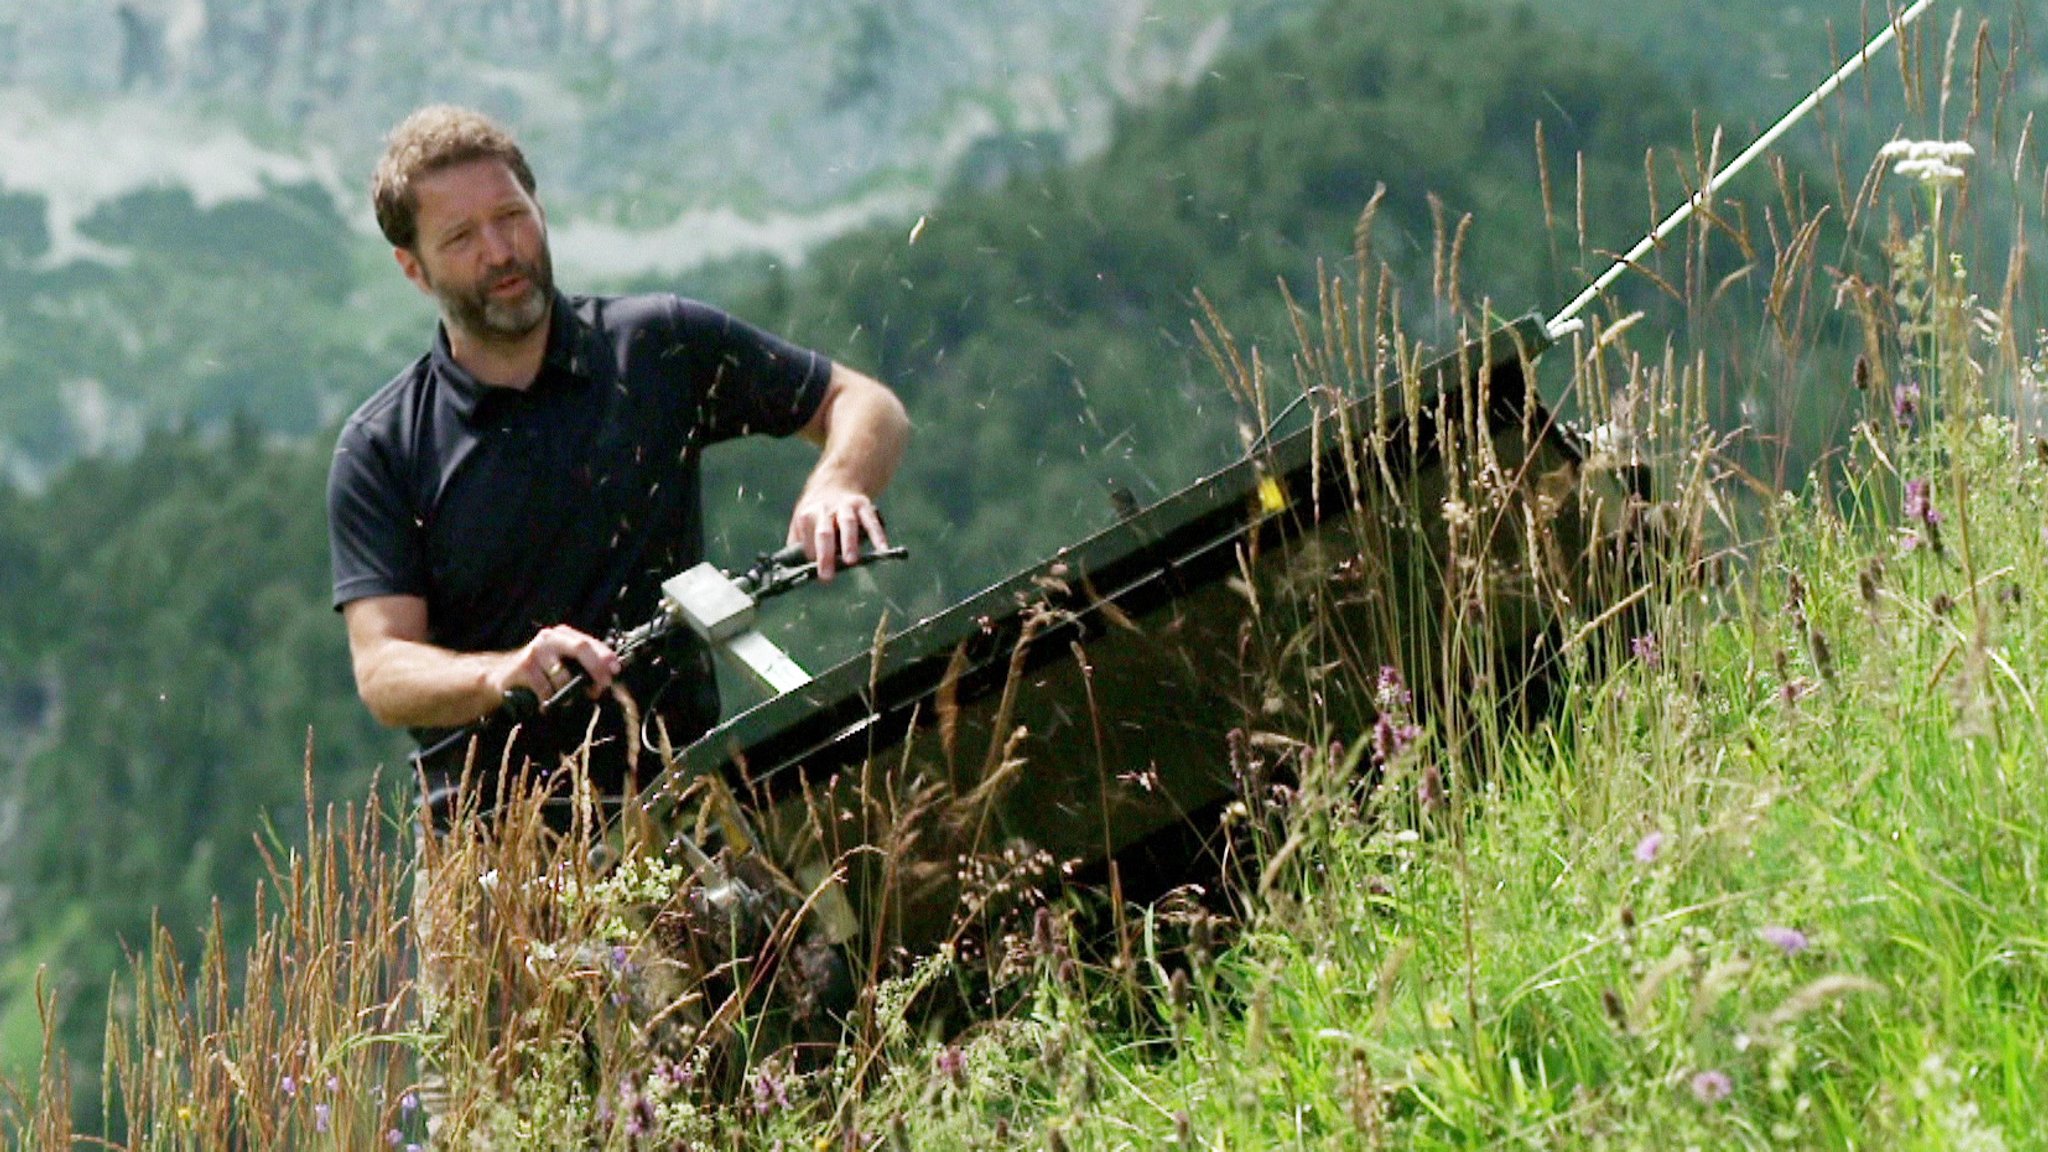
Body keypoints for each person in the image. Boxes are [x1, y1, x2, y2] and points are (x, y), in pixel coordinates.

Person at [327, 104, 909, 821]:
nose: (500, 250)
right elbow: (384, 668)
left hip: (692, 807)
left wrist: (839, 483)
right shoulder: (384, 446)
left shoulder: (654, 346)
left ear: (539, 209)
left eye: (512, 216)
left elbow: (865, 404)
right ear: (412, 268)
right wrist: (502, 674)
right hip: (494, 855)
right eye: (461, 237)